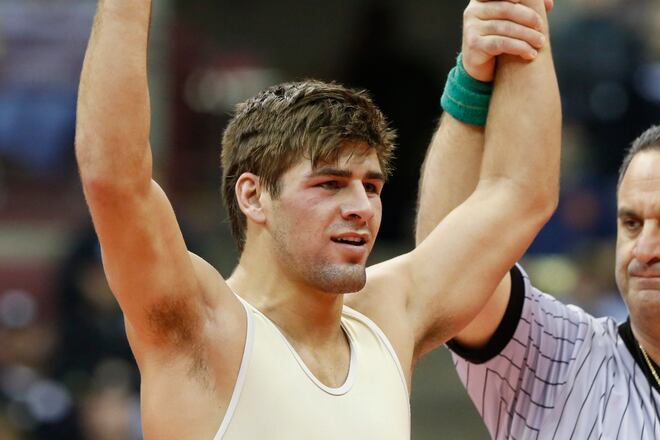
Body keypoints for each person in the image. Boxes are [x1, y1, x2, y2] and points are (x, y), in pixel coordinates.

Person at [74, 0, 556, 438]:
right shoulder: (203, 327)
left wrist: (498, 45)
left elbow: (519, 194)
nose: (361, 208)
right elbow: (115, 181)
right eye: (329, 184)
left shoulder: (389, 318)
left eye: (371, 186)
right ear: (253, 196)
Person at [417, 19, 660, 440]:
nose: (645, 248)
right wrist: (472, 79)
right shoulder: (552, 356)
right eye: (631, 223)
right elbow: (443, 270)